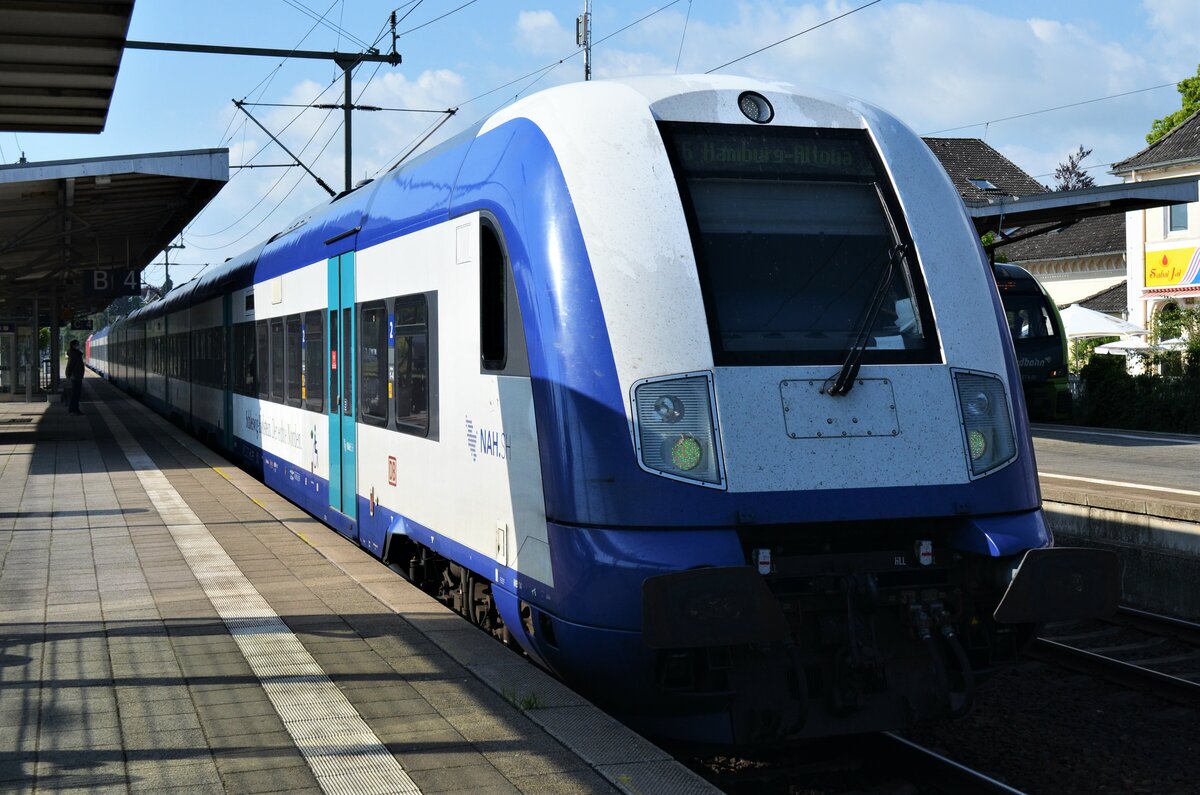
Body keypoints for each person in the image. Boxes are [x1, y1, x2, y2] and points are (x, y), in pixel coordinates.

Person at [65, 340, 84, 415]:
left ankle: (75, 409)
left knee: (76, 394)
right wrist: (68, 375)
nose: (78, 345)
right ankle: (73, 410)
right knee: (75, 394)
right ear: (73, 345)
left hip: (77, 376)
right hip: (75, 376)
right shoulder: (74, 354)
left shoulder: (75, 353)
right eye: (77, 344)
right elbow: (70, 366)